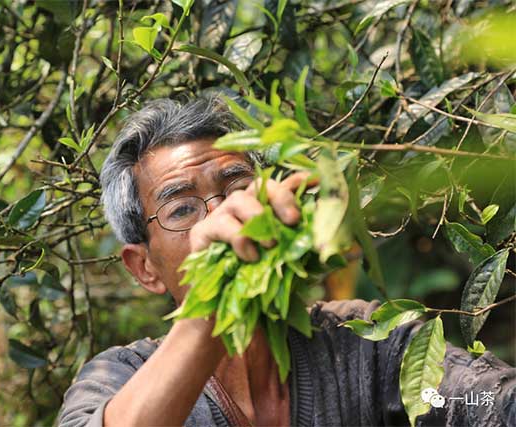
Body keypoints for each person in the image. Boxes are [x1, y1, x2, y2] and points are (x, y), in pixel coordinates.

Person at [58, 97, 515, 427]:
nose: (222, 217)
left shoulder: (365, 346)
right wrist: (211, 304)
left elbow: (479, 402)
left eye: (238, 188)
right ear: (144, 268)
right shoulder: (115, 379)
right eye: (182, 208)